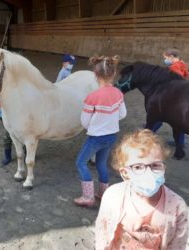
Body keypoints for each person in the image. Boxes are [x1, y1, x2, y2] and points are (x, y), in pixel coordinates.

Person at [95, 129, 189, 249]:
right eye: (138, 167)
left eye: (155, 165)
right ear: (125, 173)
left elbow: (178, 245)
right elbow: (102, 233)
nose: (148, 173)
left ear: (163, 167)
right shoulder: (113, 196)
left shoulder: (177, 206)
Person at [74, 55, 127, 207]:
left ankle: (88, 196)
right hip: (111, 136)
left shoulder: (92, 97)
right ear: (113, 74)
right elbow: (122, 114)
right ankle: (103, 193)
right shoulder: (118, 93)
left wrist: (95, 126)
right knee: (101, 164)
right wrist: (109, 120)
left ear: (96, 75)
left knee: (80, 163)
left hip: (96, 137)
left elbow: (84, 121)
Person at [152, 48, 189, 145]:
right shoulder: (182, 64)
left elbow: (176, 81)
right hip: (183, 93)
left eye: (165, 58)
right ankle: (180, 142)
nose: (165, 60)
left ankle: (148, 133)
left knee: (158, 115)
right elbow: (186, 75)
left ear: (171, 57)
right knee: (178, 121)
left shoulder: (174, 67)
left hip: (174, 96)